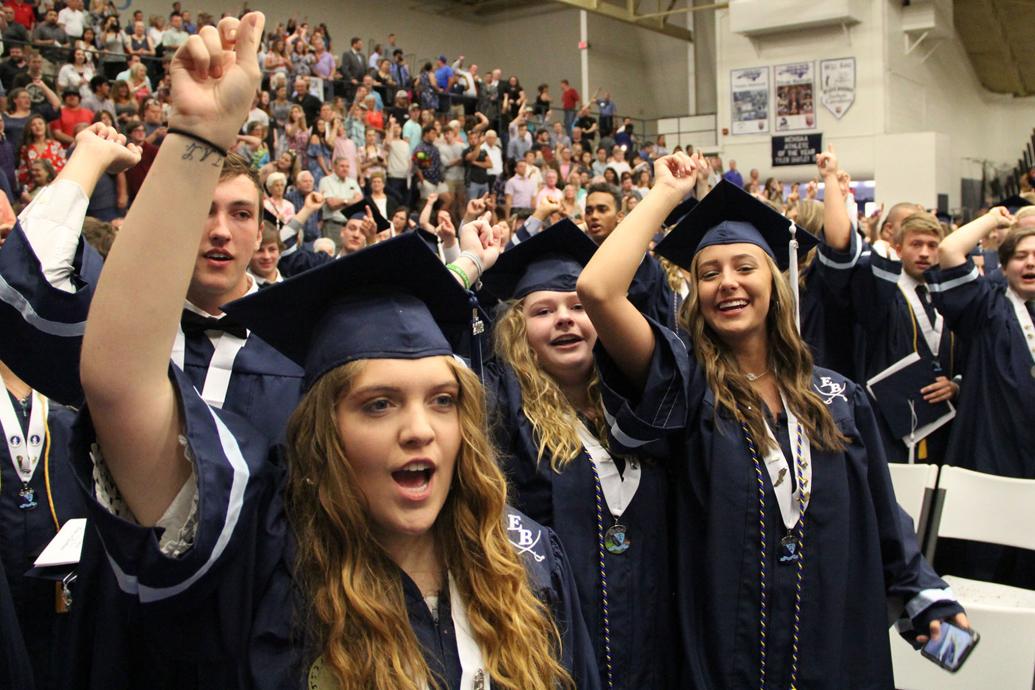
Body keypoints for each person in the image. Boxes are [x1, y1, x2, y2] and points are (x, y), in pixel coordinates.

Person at [72, 20, 599, 688]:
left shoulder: (526, 563)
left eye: (442, 401)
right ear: (323, 433)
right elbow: (119, 383)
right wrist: (198, 138)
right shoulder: (274, 567)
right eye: (377, 404)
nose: (419, 428)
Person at [575, 150, 967, 690]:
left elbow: (881, 512)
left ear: (776, 280)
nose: (727, 283)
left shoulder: (837, 397)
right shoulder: (688, 387)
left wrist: (925, 595)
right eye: (709, 273)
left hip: (830, 648)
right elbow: (597, 291)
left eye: (744, 267)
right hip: (725, 659)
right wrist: (664, 194)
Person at [481, 221, 676, 690]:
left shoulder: (636, 405)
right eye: (543, 310)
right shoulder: (505, 415)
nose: (564, 318)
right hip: (555, 638)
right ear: (517, 331)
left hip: (655, 630)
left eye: (579, 306)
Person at [925, 208, 1035, 587]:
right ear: (1002, 267)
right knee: (983, 568)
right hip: (991, 454)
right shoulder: (989, 308)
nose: (1030, 263)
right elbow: (951, 250)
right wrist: (994, 219)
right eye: (1021, 256)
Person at [817, 183, 962, 463]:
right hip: (888, 421)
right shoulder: (883, 292)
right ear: (897, 247)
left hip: (945, 424)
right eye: (916, 244)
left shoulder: (949, 296)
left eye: (932, 246)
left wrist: (957, 385)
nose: (924, 253)